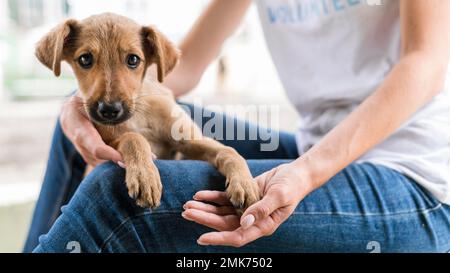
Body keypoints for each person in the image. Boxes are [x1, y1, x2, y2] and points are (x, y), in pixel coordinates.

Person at [25, 0, 450, 252]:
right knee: (79, 133)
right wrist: (83, 102)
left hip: (413, 174)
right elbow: (183, 66)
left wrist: (306, 172)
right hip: (312, 144)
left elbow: (425, 65)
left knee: (113, 191)